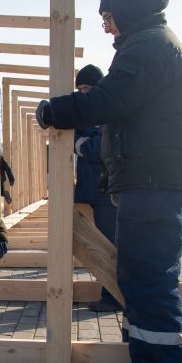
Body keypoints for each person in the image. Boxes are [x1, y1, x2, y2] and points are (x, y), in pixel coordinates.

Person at [35, 0, 182, 363]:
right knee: (142, 272)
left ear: (125, 13)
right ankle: (147, 357)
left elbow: (109, 100)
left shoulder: (148, 47)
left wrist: (53, 110)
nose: (106, 28)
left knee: (148, 275)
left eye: (108, 18)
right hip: (150, 179)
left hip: (152, 180)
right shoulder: (151, 43)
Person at [73, 64, 122, 313]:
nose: (83, 93)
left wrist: (82, 142)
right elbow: (84, 146)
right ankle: (111, 295)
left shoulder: (107, 113)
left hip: (105, 193)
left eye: (88, 88)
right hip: (90, 193)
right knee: (100, 244)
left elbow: (95, 150)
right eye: (79, 88)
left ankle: (113, 297)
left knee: (109, 246)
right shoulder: (87, 118)